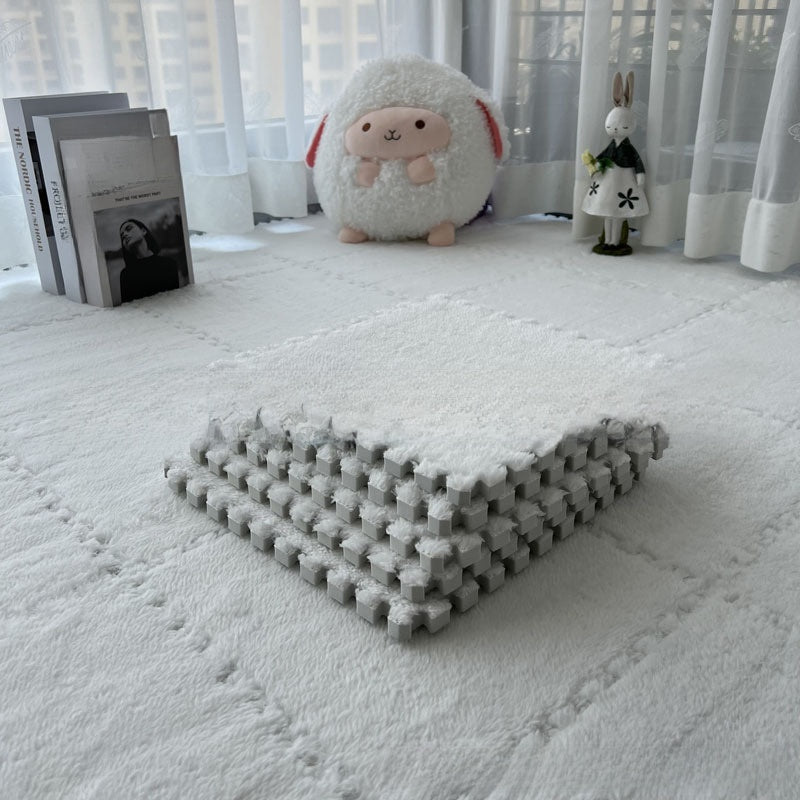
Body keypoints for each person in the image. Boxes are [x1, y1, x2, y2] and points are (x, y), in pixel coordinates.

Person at [118, 218, 181, 302]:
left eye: (129, 229)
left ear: (143, 231)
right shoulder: (125, 275)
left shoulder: (169, 264)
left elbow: (175, 300)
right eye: (122, 236)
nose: (125, 235)